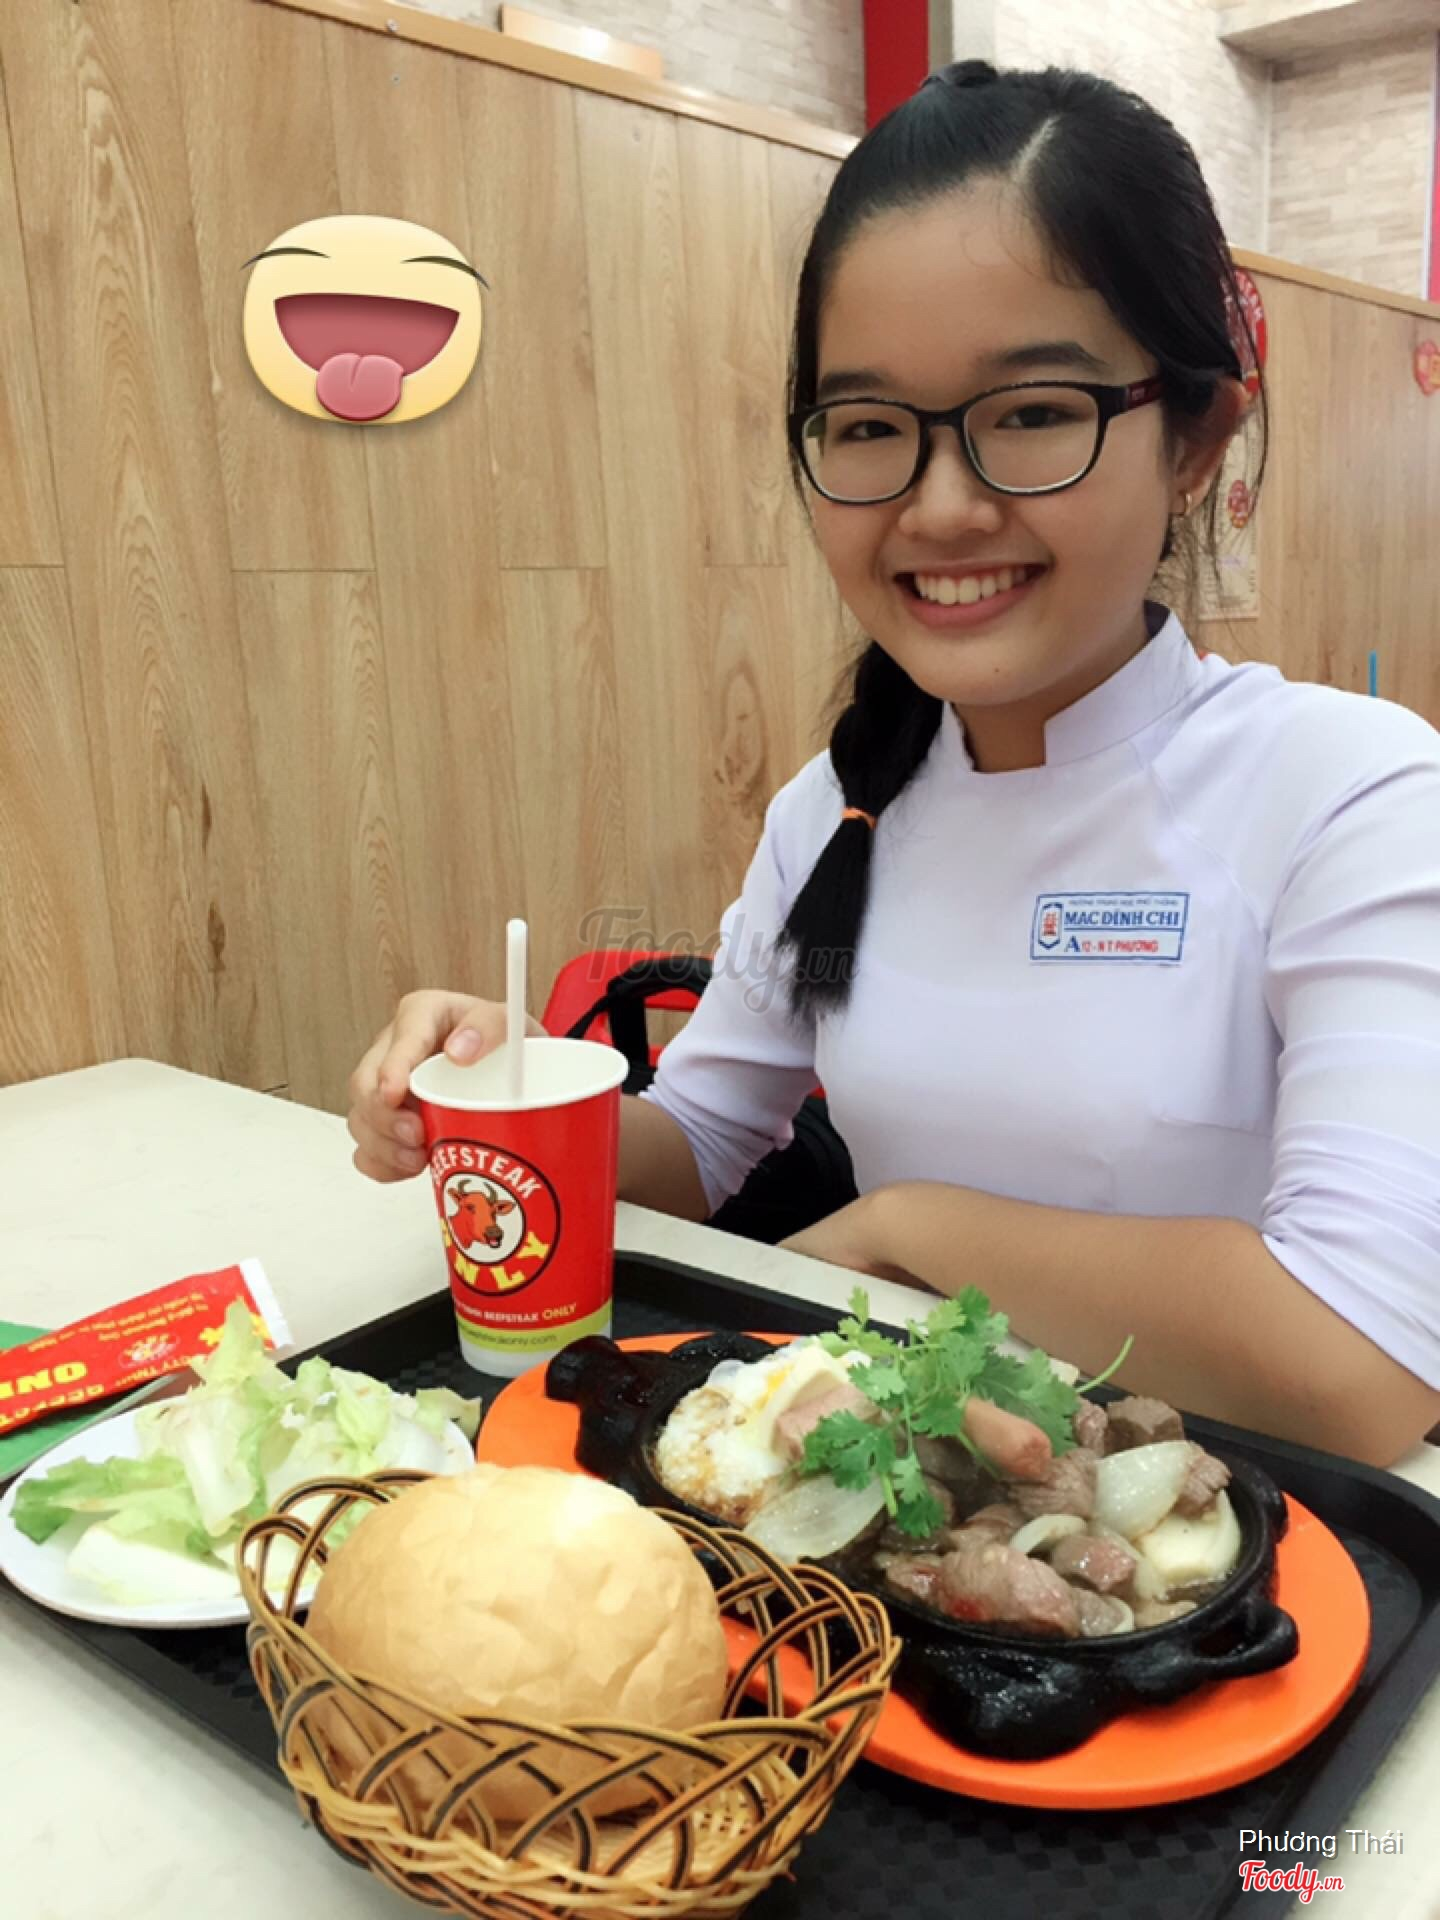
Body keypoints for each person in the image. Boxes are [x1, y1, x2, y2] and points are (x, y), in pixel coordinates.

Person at [347, 62, 1440, 1466]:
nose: (941, 506)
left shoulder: (1353, 795)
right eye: (869, 428)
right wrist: (514, 1099)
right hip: (898, 1520)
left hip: (1254, 1542)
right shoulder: (837, 809)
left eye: (1031, 412)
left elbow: (1362, 1359)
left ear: (1194, 440)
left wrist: (908, 1229)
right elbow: (699, 1143)